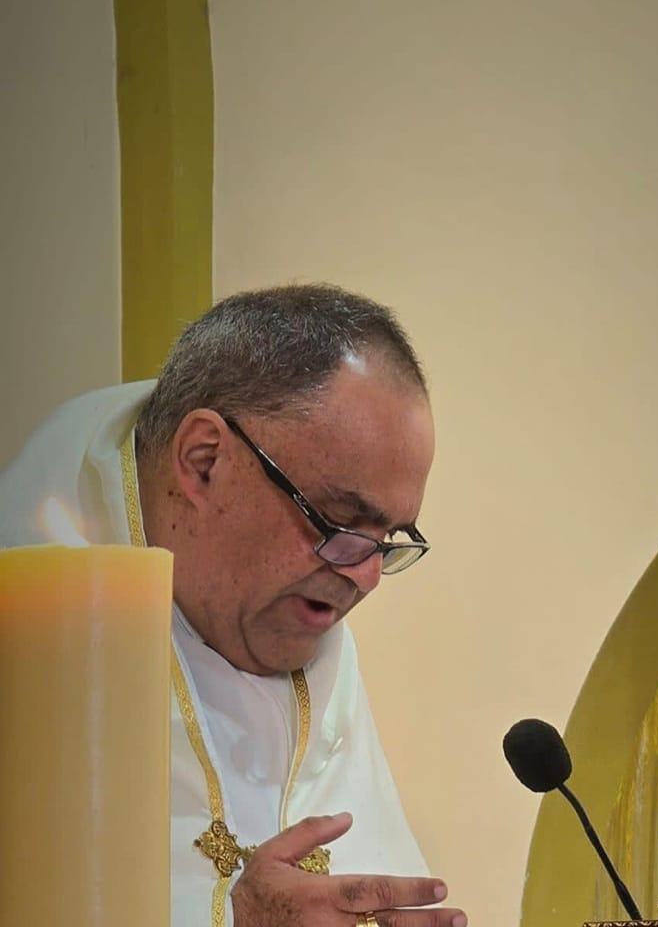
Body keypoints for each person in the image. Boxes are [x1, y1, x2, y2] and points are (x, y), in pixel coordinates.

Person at [0, 284, 467, 927]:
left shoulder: (309, 622)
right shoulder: (27, 631)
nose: (365, 575)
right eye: (337, 520)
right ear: (203, 461)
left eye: (386, 540)